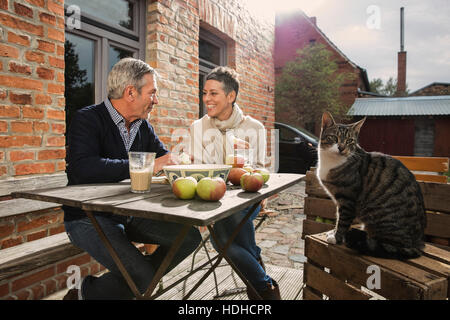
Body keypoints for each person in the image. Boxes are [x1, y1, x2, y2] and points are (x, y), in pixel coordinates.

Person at [63, 58, 202, 300]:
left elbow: (165, 159)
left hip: (129, 213)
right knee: (145, 280)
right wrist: (149, 165)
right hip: (88, 217)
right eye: (152, 93)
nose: (156, 100)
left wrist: (181, 161)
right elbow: (84, 168)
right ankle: (86, 293)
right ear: (130, 93)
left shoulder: (143, 127)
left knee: (188, 237)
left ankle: (137, 278)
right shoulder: (88, 119)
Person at [189, 66, 280, 300]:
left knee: (225, 236)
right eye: (204, 93)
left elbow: (260, 173)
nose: (206, 99)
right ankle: (264, 285)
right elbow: (198, 172)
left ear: (231, 96)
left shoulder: (254, 128)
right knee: (228, 227)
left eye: (213, 93)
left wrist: (246, 167)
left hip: (247, 200)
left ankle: (261, 286)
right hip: (213, 201)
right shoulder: (198, 128)